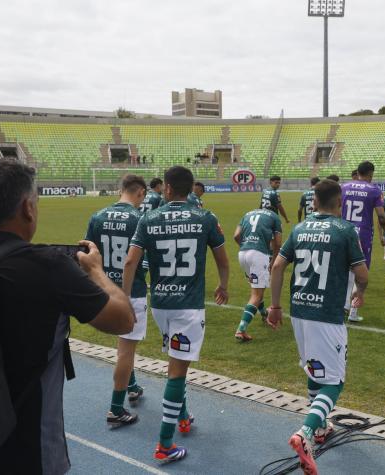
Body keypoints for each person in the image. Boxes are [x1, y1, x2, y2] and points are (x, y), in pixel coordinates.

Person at [0, 159, 133, 474]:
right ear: (28, 208)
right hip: (28, 447)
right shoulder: (48, 265)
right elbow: (122, 319)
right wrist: (96, 271)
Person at [122, 165, 229, 463]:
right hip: (189, 306)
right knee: (178, 372)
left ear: (167, 188)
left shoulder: (149, 217)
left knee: (176, 360)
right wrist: (223, 284)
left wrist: (125, 295)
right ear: (190, 187)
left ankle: (183, 417)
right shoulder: (205, 217)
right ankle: (165, 444)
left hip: (160, 305)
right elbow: (222, 258)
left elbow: (131, 262)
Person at [266, 179, 368, 475]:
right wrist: (360, 292)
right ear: (339, 203)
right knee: (334, 382)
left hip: (299, 311)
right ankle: (306, 433)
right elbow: (362, 273)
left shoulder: (299, 228)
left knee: (313, 369)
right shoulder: (345, 230)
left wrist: (274, 307)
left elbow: (277, 266)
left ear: (313, 202)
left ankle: (321, 427)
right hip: (327, 314)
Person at [84, 175, 148, 428]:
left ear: (120, 190)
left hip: (103, 288)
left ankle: (132, 385)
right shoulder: (139, 219)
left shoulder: (98, 216)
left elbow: (86, 252)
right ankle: (116, 408)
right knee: (126, 349)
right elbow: (143, 259)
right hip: (130, 290)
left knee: (123, 345)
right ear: (141, 193)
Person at [341, 161, 385, 322]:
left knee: (344, 269)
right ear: (370, 174)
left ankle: (343, 305)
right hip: (362, 235)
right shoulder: (373, 190)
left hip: (343, 231)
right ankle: (353, 312)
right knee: (360, 273)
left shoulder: (344, 187)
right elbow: (382, 217)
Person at [232, 206, 282, 341]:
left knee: (256, 288)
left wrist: (245, 246)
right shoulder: (274, 216)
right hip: (258, 254)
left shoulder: (247, 213)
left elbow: (236, 235)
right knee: (257, 294)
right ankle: (241, 330)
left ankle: (264, 314)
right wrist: (273, 260)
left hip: (243, 253)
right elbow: (278, 242)